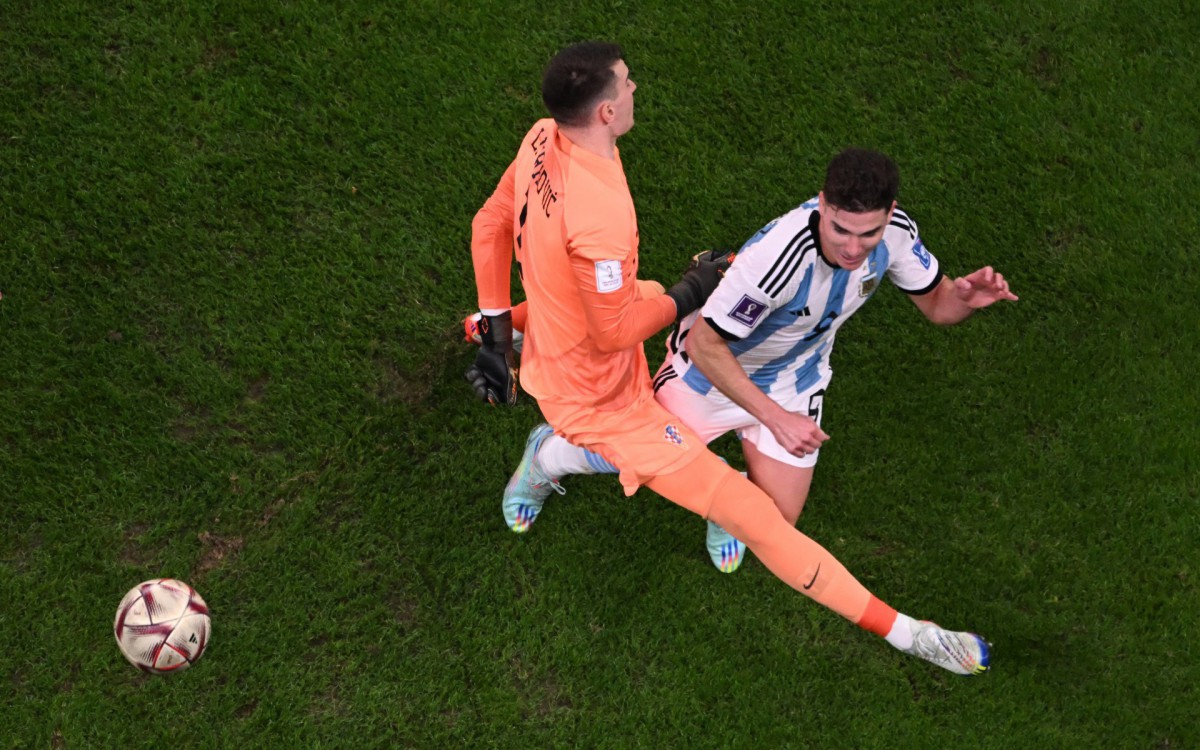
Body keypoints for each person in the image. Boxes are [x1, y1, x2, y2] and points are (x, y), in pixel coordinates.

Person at [469, 41, 990, 676]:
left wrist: (496, 329)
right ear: (605, 110)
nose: (635, 89)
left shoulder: (543, 138)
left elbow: (491, 223)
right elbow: (614, 336)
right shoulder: (603, 213)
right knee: (751, 515)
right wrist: (695, 290)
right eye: (627, 83)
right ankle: (914, 636)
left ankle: (512, 347)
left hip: (574, 338)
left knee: (653, 304)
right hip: (602, 393)